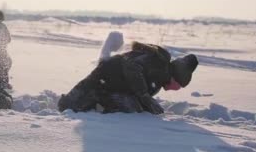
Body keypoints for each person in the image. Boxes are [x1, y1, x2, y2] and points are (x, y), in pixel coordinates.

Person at [57, 41, 198, 114]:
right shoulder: (159, 63)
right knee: (66, 107)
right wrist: (144, 95)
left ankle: (98, 102)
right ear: (175, 78)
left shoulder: (160, 77)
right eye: (178, 86)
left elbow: (139, 94)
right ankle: (96, 99)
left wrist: (149, 105)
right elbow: (132, 67)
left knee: (136, 108)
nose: (175, 89)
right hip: (103, 78)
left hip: (109, 84)